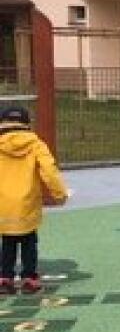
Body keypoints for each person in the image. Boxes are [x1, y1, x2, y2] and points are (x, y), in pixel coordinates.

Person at [0, 106, 67, 294]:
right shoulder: (36, 144)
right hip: (28, 203)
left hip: (3, 205)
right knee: (29, 240)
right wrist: (59, 194)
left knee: (7, 240)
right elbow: (49, 171)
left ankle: (5, 277)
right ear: (26, 123)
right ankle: (29, 278)